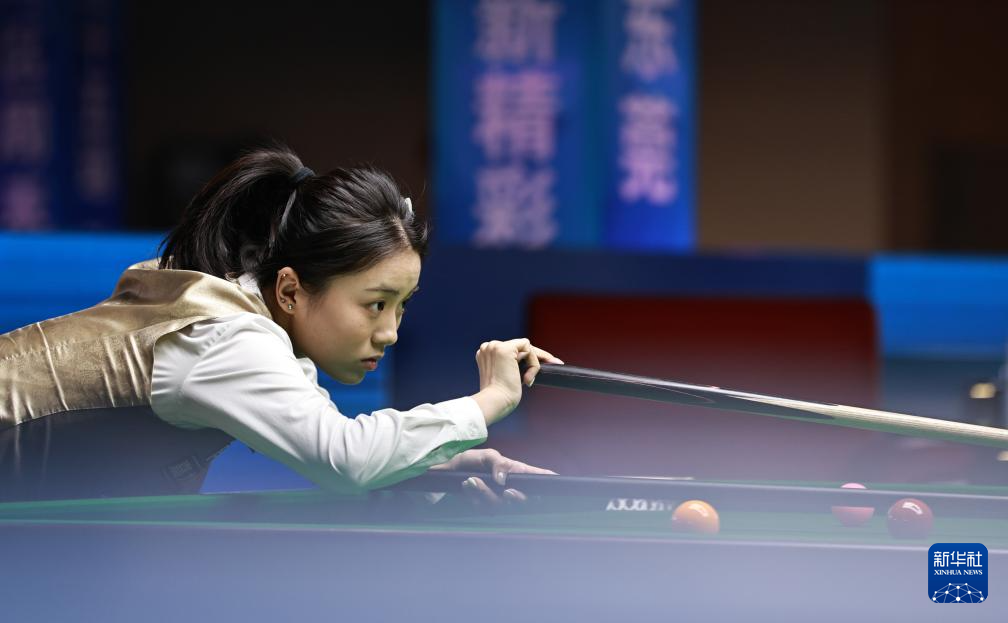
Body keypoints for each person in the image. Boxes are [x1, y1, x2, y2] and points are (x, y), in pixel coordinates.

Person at [0, 145, 561, 502]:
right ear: (291, 290)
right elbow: (347, 459)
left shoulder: (238, 319)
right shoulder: (228, 340)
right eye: (375, 304)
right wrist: (489, 401)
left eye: (402, 305)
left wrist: (435, 463)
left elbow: (323, 449)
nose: (390, 331)